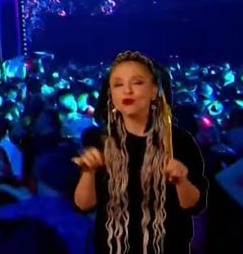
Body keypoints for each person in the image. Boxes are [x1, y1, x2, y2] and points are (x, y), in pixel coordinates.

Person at [73, 51, 209, 254]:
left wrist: (181, 181)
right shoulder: (100, 140)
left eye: (137, 83)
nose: (127, 90)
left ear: (155, 92)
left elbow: (196, 205)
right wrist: (88, 172)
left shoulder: (179, 141)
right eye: (118, 84)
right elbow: (84, 205)